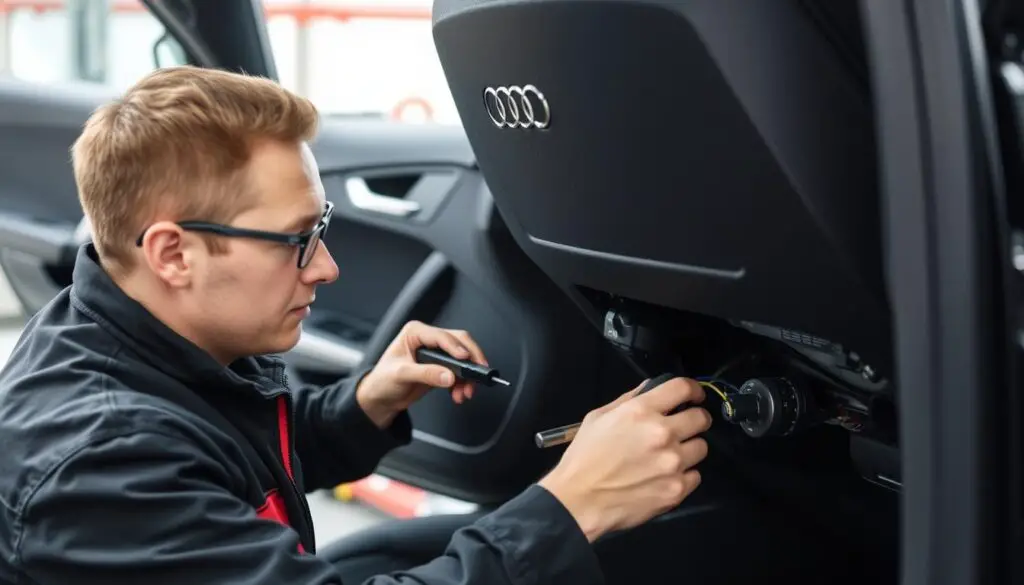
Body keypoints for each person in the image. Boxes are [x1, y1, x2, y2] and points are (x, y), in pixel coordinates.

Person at [0, 66, 712, 585]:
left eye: (324, 227)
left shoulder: (143, 331)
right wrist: (573, 502)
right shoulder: (102, 468)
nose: (326, 267)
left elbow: (231, 459)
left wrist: (365, 405)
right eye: (296, 239)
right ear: (173, 253)